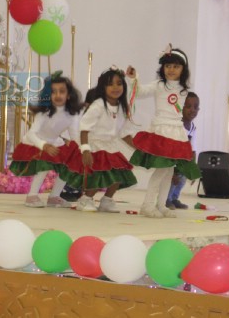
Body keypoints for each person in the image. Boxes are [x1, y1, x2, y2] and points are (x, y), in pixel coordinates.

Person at [127, 45, 201, 218]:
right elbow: (140, 92)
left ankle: (161, 205)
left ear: (183, 69)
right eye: (168, 66)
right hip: (161, 131)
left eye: (176, 66)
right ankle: (147, 205)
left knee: (168, 171)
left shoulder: (184, 90)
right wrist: (134, 79)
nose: (171, 70)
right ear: (162, 68)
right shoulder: (159, 85)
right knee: (161, 171)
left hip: (176, 133)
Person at [69, 67, 138, 213]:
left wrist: (138, 149)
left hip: (110, 145)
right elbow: (84, 128)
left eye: (119, 83)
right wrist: (85, 150)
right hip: (95, 145)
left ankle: (107, 200)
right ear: (103, 87)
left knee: (119, 173)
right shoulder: (98, 105)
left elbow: (124, 133)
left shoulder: (122, 107)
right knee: (99, 175)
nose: (115, 87)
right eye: (110, 84)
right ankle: (86, 199)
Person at [8, 73, 81, 208]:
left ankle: (54, 196)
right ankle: (31, 196)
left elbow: (75, 136)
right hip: (35, 143)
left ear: (69, 95)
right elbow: (31, 134)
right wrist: (44, 145)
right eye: (53, 92)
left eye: (62, 91)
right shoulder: (44, 113)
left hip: (54, 142)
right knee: (44, 164)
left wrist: (83, 149)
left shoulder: (72, 115)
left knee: (69, 163)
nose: (58, 95)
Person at [166, 92, 199, 210]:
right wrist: (172, 170)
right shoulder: (177, 125)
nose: (192, 110)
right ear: (181, 107)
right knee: (172, 179)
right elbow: (170, 148)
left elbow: (193, 149)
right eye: (188, 106)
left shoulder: (193, 128)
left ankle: (174, 198)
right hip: (172, 159)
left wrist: (193, 170)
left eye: (195, 107)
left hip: (183, 160)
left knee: (182, 179)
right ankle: (166, 199)